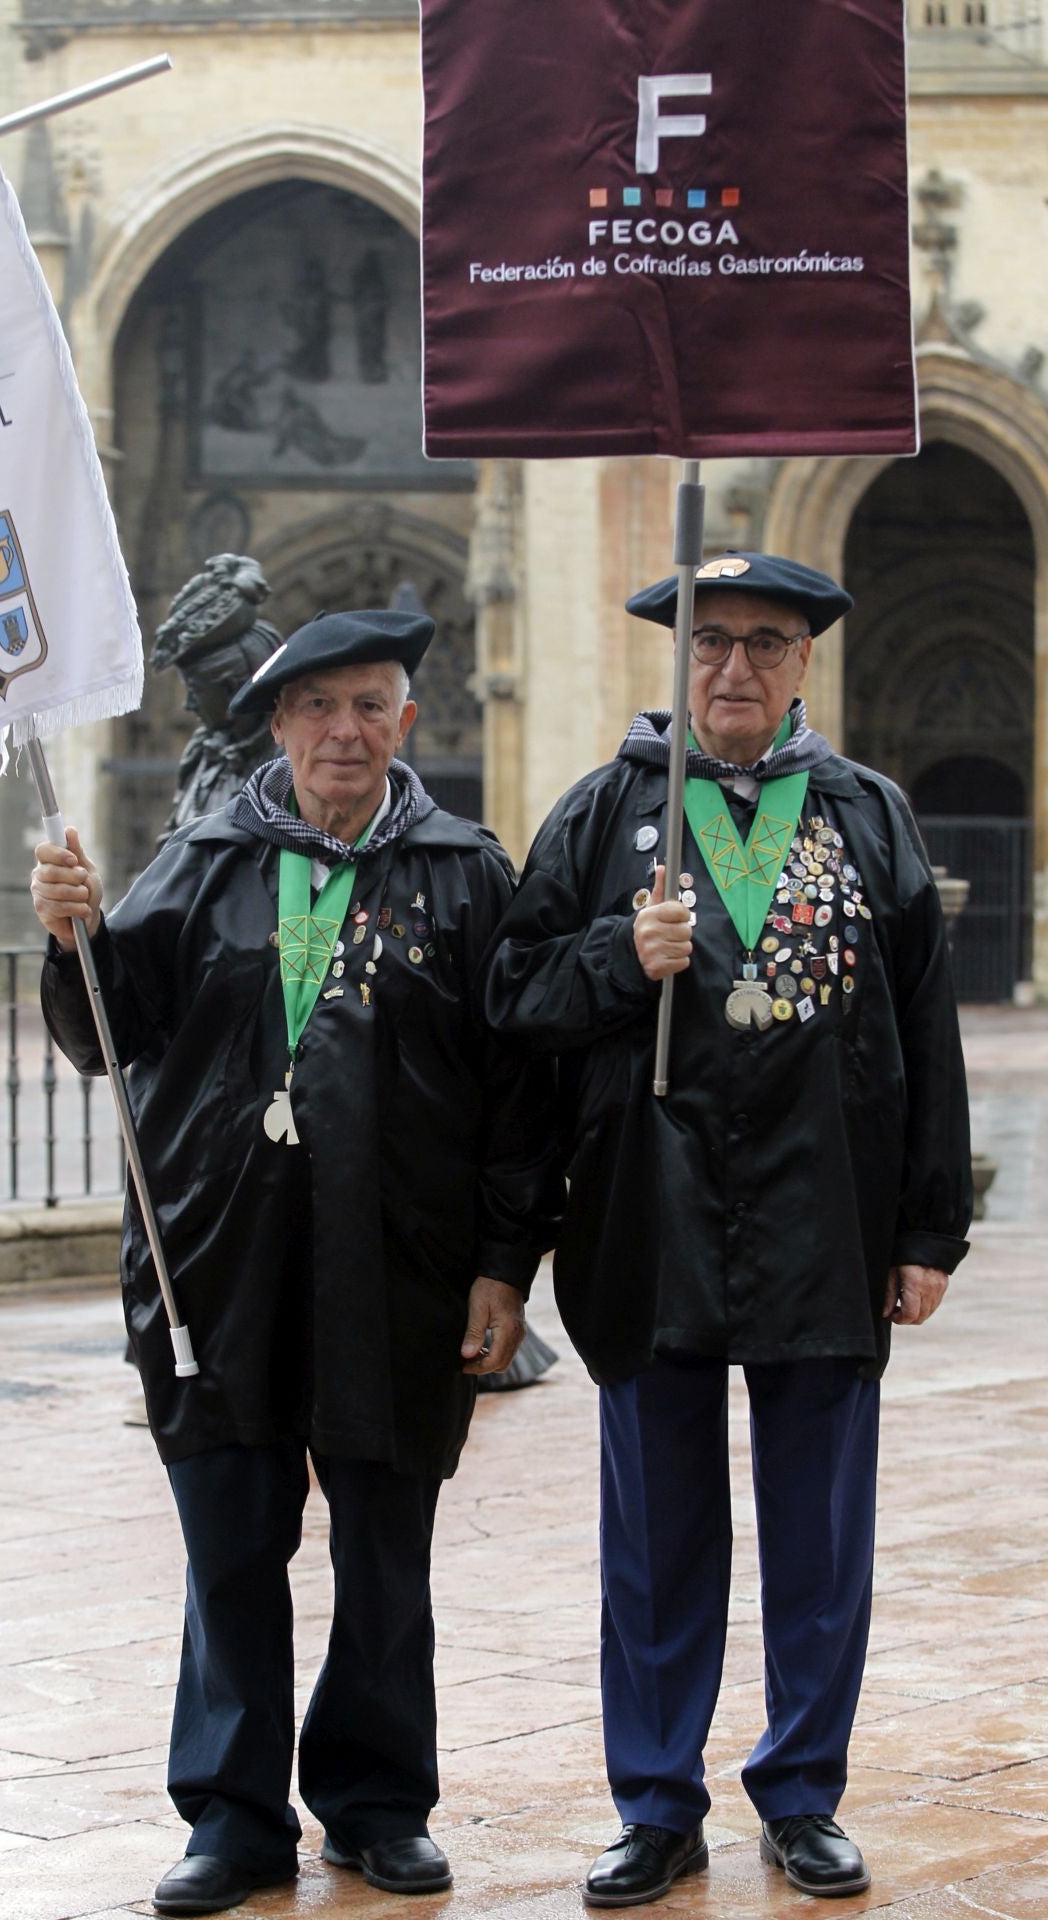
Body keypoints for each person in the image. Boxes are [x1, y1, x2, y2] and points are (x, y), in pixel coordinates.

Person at [33, 607, 560, 1916]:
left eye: (368, 705)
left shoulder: (463, 874)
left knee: (386, 1553)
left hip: (403, 1269)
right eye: (317, 708)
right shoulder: (200, 862)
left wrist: (505, 1262)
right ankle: (232, 1816)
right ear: (277, 725)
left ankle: (378, 1805)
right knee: (230, 1551)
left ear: (407, 723)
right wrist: (76, 940)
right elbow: (111, 1031)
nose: (343, 731)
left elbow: (519, 1090)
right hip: (221, 1268)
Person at [483, 552, 972, 1906]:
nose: (737, 668)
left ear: (807, 660)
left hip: (827, 1224)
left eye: (766, 642)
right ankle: (654, 1800)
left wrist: (928, 1226)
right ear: (677, 659)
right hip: (651, 1224)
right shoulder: (601, 819)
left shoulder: (870, 818)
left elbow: (926, 1032)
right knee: (657, 1542)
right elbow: (512, 1002)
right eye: (712, 643)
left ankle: (804, 1793)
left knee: (820, 1534)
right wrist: (609, 961)